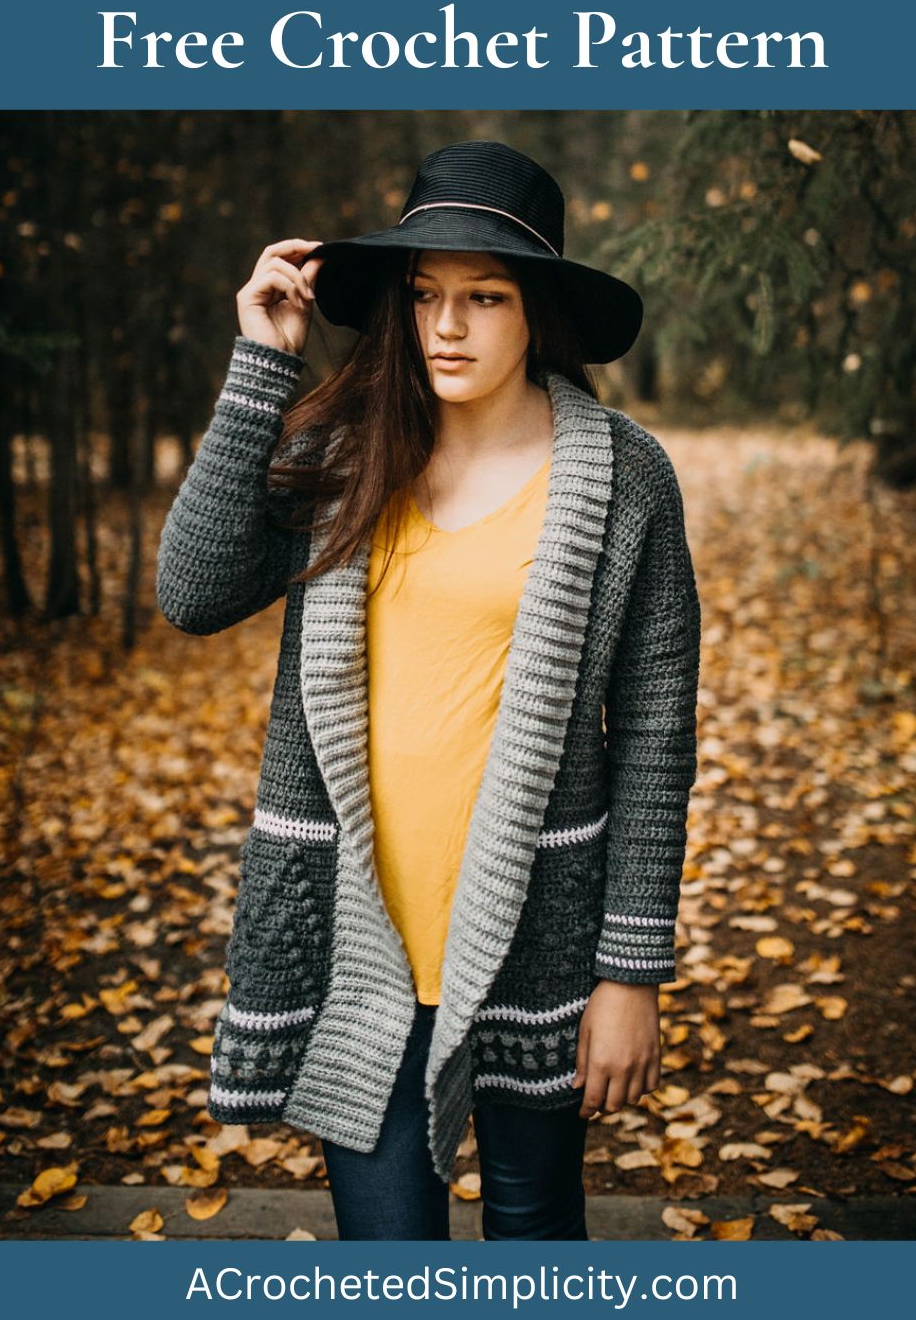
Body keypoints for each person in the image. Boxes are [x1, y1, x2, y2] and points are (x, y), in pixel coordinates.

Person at [156, 139, 702, 1241]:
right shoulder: (349, 453)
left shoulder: (622, 475)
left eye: (484, 296)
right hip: (364, 936)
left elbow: (653, 732)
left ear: (536, 310)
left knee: (533, 1224)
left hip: (535, 930)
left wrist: (630, 974)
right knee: (388, 1247)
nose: (447, 325)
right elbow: (192, 589)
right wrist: (263, 362)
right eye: (425, 296)